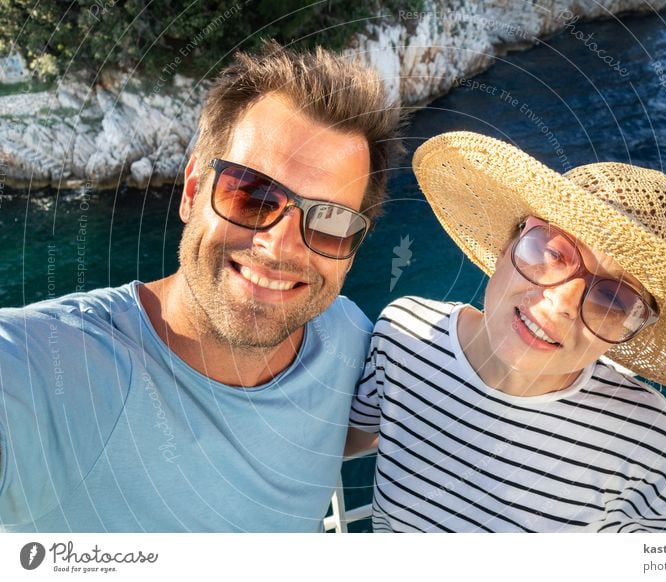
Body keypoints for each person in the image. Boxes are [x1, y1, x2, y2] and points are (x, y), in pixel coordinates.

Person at [0, 41, 403, 532]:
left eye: (330, 223)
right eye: (252, 195)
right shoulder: (44, 371)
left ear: (351, 248)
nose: (278, 246)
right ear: (193, 192)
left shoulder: (347, 342)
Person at [347, 131, 666, 532]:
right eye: (552, 252)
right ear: (509, 242)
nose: (562, 304)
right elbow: (336, 439)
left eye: (614, 300)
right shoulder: (403, 336)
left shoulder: (642, 435)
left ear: (635, 329)